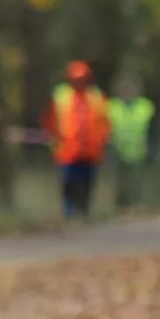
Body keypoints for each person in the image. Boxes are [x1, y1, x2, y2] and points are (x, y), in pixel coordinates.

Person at [42, 61, 110, 219]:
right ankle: (69, 213)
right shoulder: (61, 96)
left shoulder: (96, 96)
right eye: (76, 78)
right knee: (69, 183)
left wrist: (103, 142)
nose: (79, 81)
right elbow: (50, 120)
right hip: (68, 150)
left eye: (82, 78)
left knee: (87, 183)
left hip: (91, 150)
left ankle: (85, 211)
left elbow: (104, 122)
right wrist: (53, 139)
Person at [107, 78, 155, 211]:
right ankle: (121, 207)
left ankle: (137, 205)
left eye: (131, 89)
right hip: (117, 151)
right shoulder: (111, 106)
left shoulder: (145, 106)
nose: (128, 93)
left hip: (139, 151)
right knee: (120, 182)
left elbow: (153, 129)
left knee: (137, 182)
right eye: (124, 90)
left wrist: (152, 147)